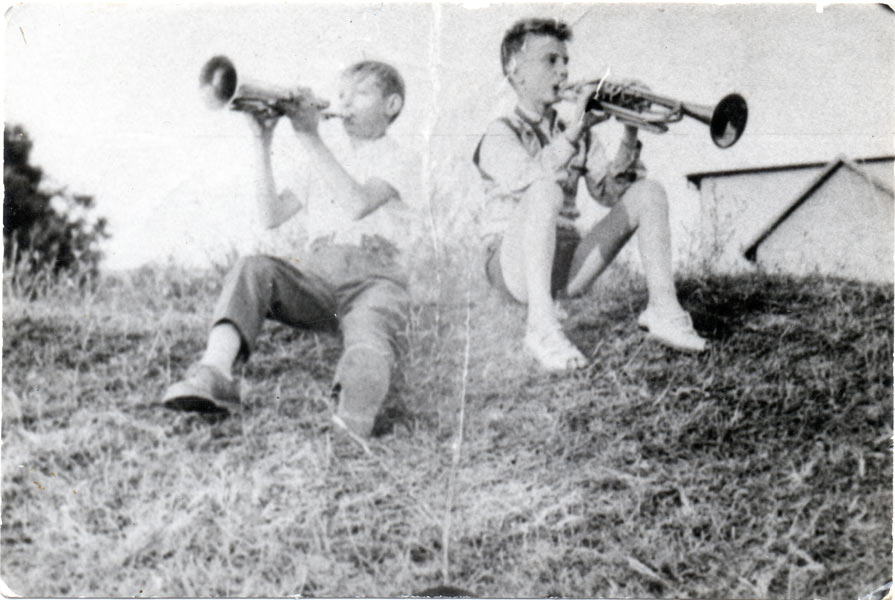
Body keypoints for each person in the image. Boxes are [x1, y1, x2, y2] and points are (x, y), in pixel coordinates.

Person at [163, 60, 423, 438]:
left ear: (392, 105)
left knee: (369, 335)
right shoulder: (323, 156)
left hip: (376, 279)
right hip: (319, 278)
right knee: (252, 268)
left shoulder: (401, 157)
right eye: (342, 95)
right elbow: (270, 215)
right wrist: (262, 141)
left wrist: (308, 136)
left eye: (361, 93)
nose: (345, 103)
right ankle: (215, 372)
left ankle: (354, 412)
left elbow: (357, 204)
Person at [473, 18, 706, 373]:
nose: (564, 71)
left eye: (565, 61)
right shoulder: (500, 132)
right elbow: (527, 178)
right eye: (551, 61)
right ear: (516, 72)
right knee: (545, 189)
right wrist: (577, 129)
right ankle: (541, 328)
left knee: (649, 192)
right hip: (513, 268)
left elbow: (610, 194)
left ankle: (664, 309)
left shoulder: (575, 132)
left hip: (567, 265)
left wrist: (630, 130)